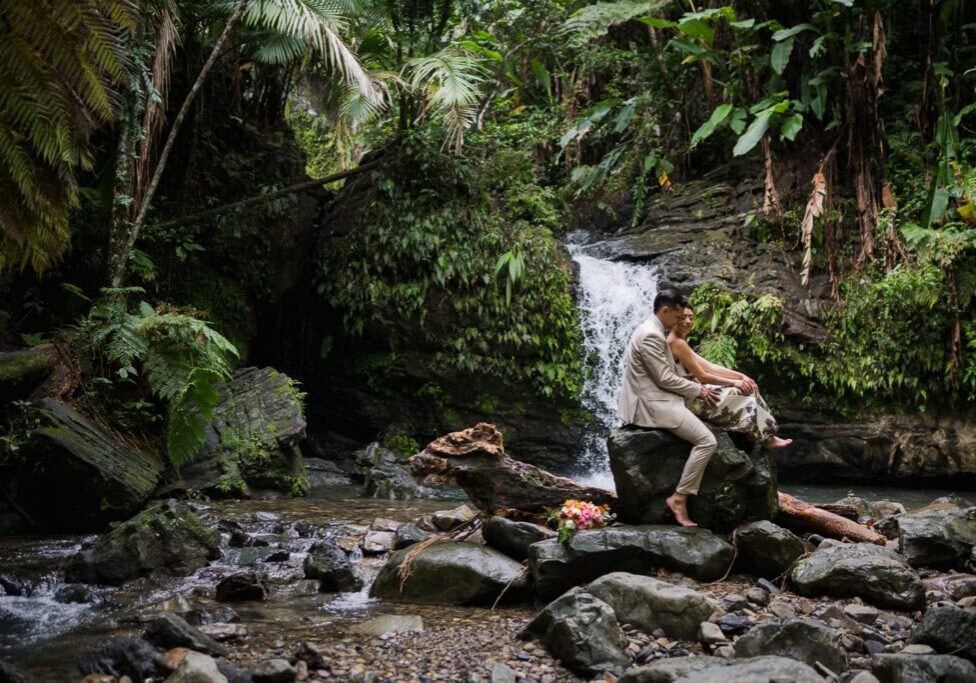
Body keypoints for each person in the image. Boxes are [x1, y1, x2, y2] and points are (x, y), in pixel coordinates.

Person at [617, 289, 720, 527]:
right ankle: (679, 497)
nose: (680, 322)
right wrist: (698, 390)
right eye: (677, 316)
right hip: (652, 404)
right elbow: (664, 378)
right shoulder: (651, 335)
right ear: (665, 310)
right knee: (707, 441)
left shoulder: (653, 329)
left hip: (659, 397)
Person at [667, 306, 792, 449]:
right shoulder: (676, 342)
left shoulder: (679, 340)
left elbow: (709, 366)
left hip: (698, 391)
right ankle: (765, 439)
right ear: (673, 319)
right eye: (683, 318)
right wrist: (736, 383)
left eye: (691, 317)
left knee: (748, 389)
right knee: (742, 395)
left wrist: (742, 377)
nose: (688, 321)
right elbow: (702, 375)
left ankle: (759, 433)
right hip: (691, 398)